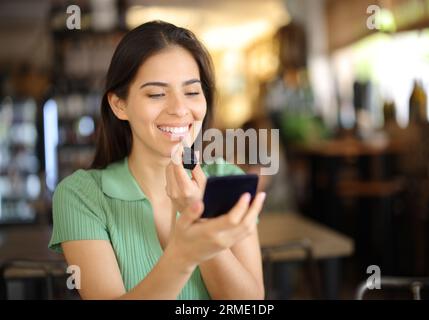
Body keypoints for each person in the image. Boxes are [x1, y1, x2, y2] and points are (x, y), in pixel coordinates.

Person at [48, 21, 266, 300]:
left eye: (191, 92)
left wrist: (202, 222)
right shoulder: (80, 195)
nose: (179, 109)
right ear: (119, 105)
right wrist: (184, 255)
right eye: (156, 94)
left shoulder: (228, 178)